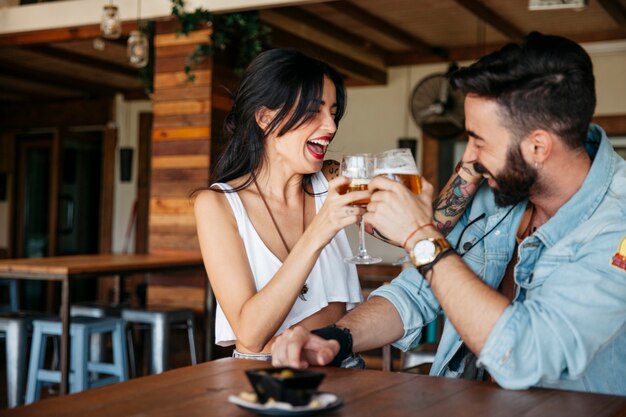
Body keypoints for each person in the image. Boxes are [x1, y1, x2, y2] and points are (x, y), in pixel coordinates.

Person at [271, 32, 626, 396]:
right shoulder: (502, 191)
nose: (468, 158)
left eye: (479, 140)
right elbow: (418, 292)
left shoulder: (616, 223)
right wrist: (336, 340)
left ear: (538, 146)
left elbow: (526, 353)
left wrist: (420, 236)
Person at [194, 48, 368, 363]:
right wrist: (320, 229)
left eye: (333, 111)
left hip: (342, 368)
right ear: (265, 117)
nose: (331, 126)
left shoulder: (333, 179)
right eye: (315, 111)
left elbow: (409, 228)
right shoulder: (217, 205)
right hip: (261, 377)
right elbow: (251, 333)